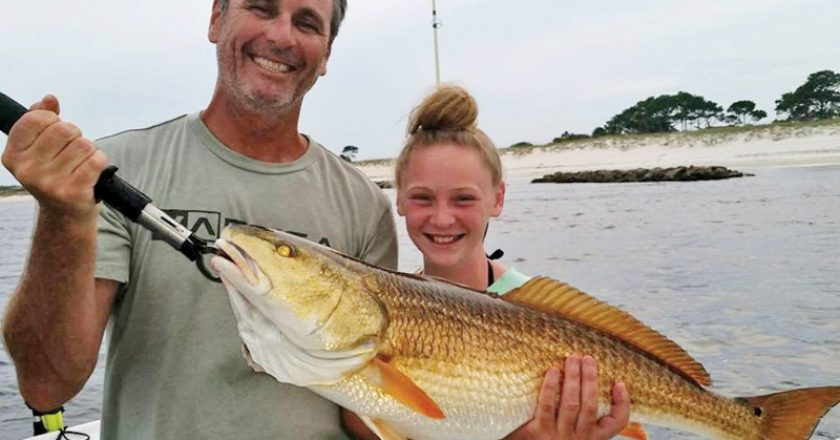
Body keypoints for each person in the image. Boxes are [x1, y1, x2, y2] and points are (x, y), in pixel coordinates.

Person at [1, 1, 398, 439]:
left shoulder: (365, 204)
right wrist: (62, 217)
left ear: (325, 55)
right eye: (262, 8)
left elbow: (376, 403)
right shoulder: (113, 171)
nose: (282, 36)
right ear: (215, 20)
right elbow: (46, 385)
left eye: (306, 23)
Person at [343, 84, 632, 440]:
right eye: (422, 198)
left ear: (498, 198)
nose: (442, 218)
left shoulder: (543, 309)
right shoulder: (383, 318)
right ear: (399, 198)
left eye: (463, 199)